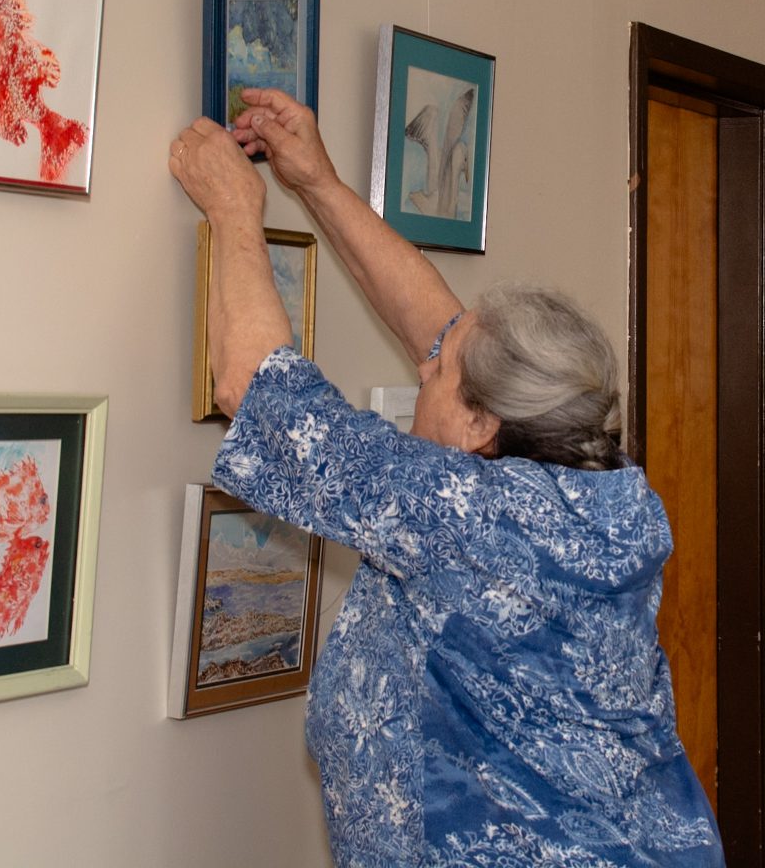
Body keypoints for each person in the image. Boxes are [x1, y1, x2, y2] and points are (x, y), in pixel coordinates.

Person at [168, 88, 724, 867]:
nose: (423, 363)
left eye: (436, 370)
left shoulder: (467, 521)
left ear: (480, 426)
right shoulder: (604, 494)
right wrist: (318, 183)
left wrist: (235, 209)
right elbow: (447, 334)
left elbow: (255, 391)